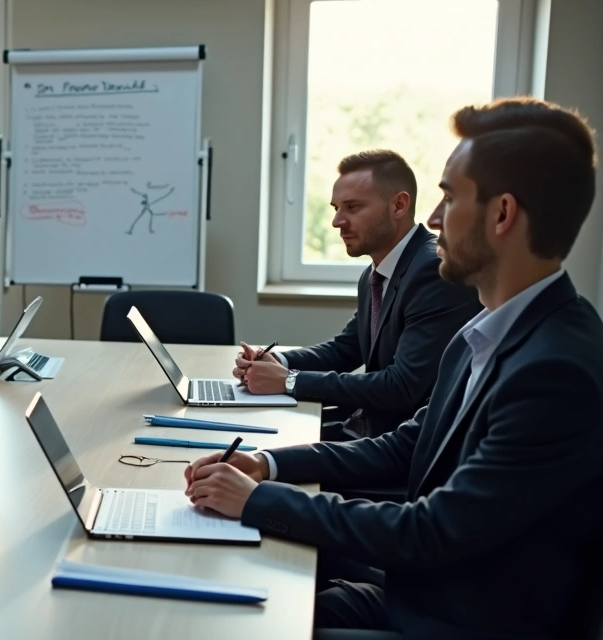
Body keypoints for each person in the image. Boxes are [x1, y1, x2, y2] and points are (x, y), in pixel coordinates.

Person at [184, 98, 602, 638]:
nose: (431, 219)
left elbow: (431, 530)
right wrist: (267, 465)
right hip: (426, 591)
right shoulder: (486, 333)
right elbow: (406, 445)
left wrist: (259, 501)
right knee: (237, 603)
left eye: (449, 197)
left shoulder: (555, 371)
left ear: (502, 214)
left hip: (459, 621)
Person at [235, 150, 480, 439]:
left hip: (395, 447)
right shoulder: (376, 273)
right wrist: (277, 362)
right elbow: (346, 349)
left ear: (399, 205)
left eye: (352, 207)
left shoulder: (433, 271)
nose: (337, 221)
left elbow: (400, 388)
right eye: (336, 208)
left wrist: (289, 382)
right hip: (365, 428)